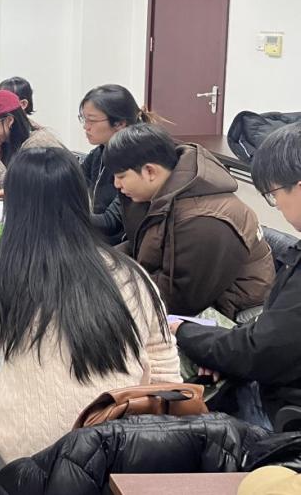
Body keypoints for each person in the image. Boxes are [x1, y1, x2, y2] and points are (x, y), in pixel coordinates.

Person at [0, 147, 180, 464]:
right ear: (81, 200)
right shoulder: (132, 275)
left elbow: (0, 341)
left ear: (12, 204)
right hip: (119, 448)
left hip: (27, 460)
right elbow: (166, 373)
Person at [172, 122, 301, 429]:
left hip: (283, 410)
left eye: (272, 194)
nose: (276, 206)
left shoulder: (206, 219)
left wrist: (182, 332)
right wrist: (221, 355)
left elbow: (261, 352)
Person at [106, 123, 274, 319]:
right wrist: (104, 262)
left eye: (121, 176)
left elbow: (180, 301)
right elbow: (141, 246)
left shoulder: (203, 222)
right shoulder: (157, 195)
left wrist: (114, 284)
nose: (116, 184)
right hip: (183, 298)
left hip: (230, 314)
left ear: (150, 171)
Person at [78, 84, 154, 242]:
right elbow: (74, 181)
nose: (86, 127)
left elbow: (111, 223)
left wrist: (63, 214)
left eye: (91, 120)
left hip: (124, 246)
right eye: (84, 119)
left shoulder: (136, 159)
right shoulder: (100, 152)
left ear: (120, 123)